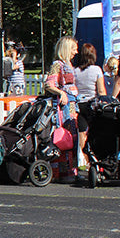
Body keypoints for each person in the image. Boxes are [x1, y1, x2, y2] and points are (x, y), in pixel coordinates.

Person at [45, 36, 79, 181]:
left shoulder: (68, 64)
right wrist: (61, 93)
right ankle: (62, 173)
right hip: (64, 109)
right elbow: (49, 84)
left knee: (72, 137)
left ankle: (71, 171)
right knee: (64, 138)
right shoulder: (58, 65)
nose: (76, 52)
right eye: (73, 48)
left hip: (72, 108)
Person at [73, 42, 106, 161]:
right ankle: (95, 157)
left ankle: (85, 159)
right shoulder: (97, 70)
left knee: (82, 131)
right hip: (93, 104)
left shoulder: (75, 71)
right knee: (94, 130)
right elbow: (101, 90)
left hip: (79, 104)